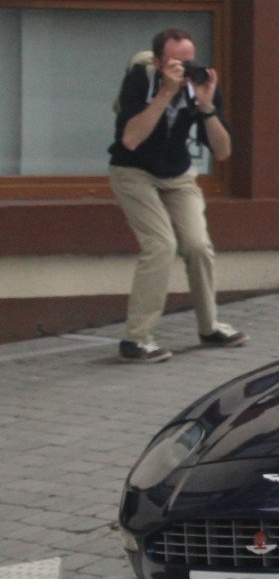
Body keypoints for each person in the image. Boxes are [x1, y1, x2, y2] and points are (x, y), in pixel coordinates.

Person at [108, 27, 247, 363]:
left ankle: (209, 326)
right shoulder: (141, 81)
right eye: (175, 63)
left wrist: (207, 106)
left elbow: (224, 151)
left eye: (189, 61)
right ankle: (136, 340)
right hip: (132, 171)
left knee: (198, 246)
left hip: (178, 174)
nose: (184, 70)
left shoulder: (201, 84)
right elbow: (130, 139)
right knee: (161, 245)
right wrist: (164, 94)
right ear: (158, 62)